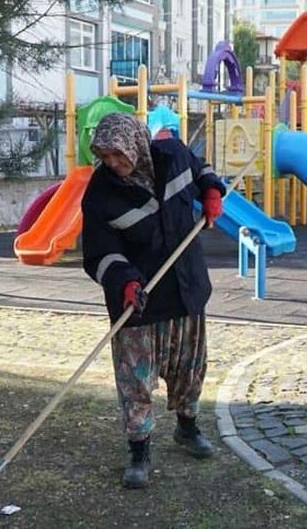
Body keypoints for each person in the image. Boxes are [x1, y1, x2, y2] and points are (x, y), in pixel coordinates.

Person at [81, 112, 225, 489]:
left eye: (118, 154)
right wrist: (124, 282)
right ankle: (139, 450)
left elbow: (202, 168)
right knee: (136, 380)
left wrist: (211, 192)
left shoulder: (173, 155)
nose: (113, 163)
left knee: (189, 367)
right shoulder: (100, 194)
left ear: (136, 145)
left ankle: (187, 427)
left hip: (185, 286)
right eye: (105, 155)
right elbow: (99, 254)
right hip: (139, 299)